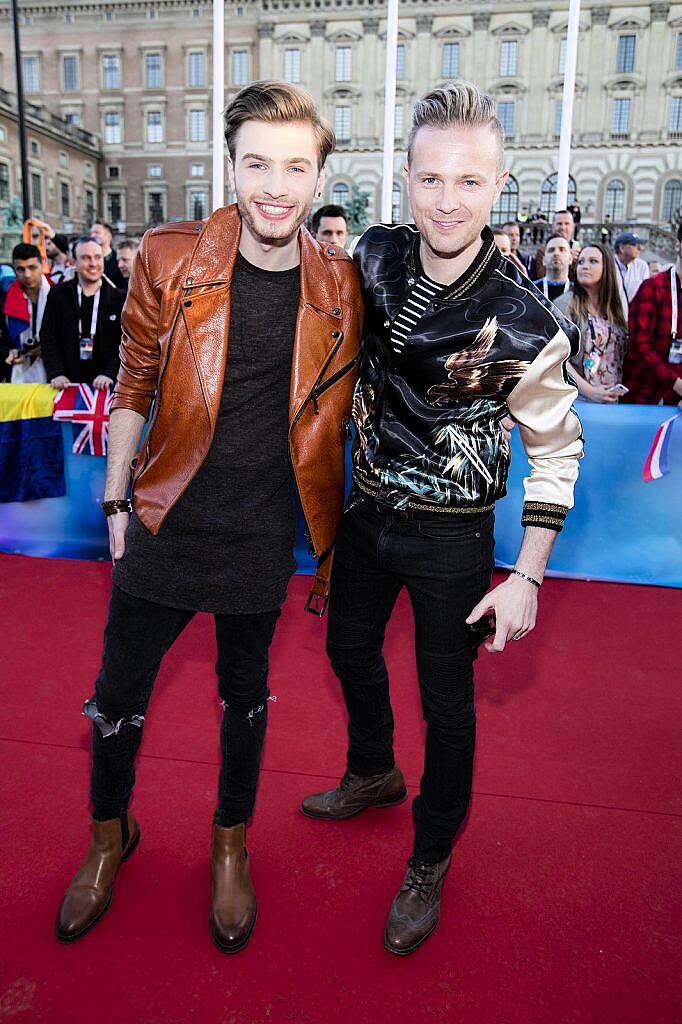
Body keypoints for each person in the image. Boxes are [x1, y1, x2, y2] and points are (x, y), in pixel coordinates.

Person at [55, 81, 362, 954]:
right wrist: (115, 497)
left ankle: (231, 842)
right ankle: (109, 835)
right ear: (228, 166)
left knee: (245, 697)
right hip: (164, 517)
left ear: (318, 176)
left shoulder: (340, 282)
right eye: (257, 163)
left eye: (295, 167)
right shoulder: (167, 254)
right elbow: (136, 382)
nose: (276, 185)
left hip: (262, 533)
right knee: (119, 695)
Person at [301, 81, 583, 956]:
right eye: (429, 180)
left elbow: (559, 451)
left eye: (467, 182)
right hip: (367, 512)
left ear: (499, 188)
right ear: (407, 180)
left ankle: (429, 856)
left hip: (454, 537)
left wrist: (527, 575)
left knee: (448, 703)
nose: (446, 201)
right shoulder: (375, 254)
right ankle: (376, 769)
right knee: (346, 651)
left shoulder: (528, 324)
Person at [40, 236, 124, 390]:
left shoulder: (119, 298)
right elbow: (48, 338)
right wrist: (56, 372)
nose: (93, 264)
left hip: (107, 388)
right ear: (75, 263)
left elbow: (125, 342)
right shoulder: (57, 295)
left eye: (97, 257)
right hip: (66, 386)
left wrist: (110, 373)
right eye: (86, 258)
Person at [555, 243, 628, 402]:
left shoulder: (613, 309)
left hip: (611, 400)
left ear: (607, 268)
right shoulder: (565, 304)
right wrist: (590, 391)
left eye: (593, 261)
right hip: (577, 400)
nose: (584, 266)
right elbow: (556, 357)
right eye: (581, 262)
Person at [623, 223, 682, 406]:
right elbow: (638, 344)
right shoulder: (652, 287)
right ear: (678, 244)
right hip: (645, 396)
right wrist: (677, 384)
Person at [1, 243, 52, 383]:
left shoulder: (59, 293)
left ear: (43, 264)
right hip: (17, 368)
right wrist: (7, 352)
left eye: (32, 267)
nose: (27, 275)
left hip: (54, 370)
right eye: (20, 269)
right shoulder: (4, 298)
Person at [533, 209, 578, 278]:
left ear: (573, 227)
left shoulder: (579, 252)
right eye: (559, 224)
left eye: (567, 224)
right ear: (553, 226)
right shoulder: (543, 251)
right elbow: (542, 277)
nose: (563, 227)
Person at [613, 231, 650, 315]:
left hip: (634, 318)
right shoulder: (607, 265)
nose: (640, 248)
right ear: (622, 248)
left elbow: (645, 296)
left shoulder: (642, 266)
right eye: (635, 245)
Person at [534, 234, 572, 301]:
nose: (556, 253)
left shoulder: (578, 292)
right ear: (544, 260)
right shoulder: (531, 290)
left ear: (570, 259)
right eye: (551, 250)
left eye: (562, 250)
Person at [89, 220, 126, 289]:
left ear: (109, 236)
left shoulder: (119, 261)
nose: (92, 236)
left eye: (97, 232)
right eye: (91, 233)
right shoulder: (88, 261)